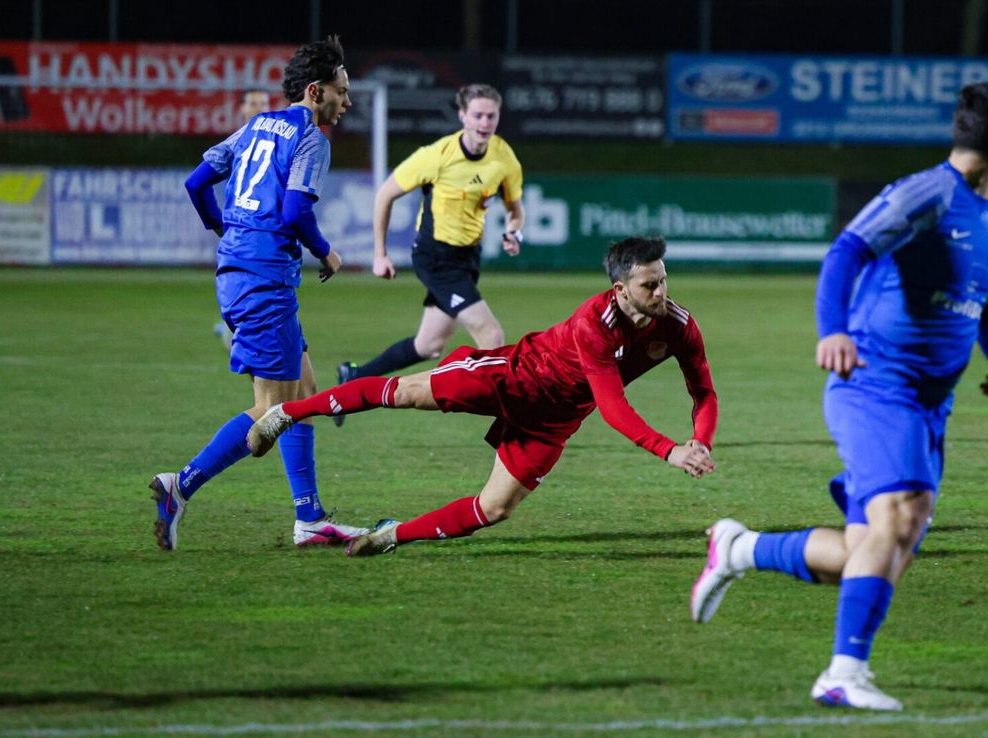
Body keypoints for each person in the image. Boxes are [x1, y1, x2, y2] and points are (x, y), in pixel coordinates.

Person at [689, 82, 988, 711]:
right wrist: (834, 330)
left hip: (931, 405)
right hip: (878, 386)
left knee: (871, 550)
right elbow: (846, 251)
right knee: (898, 516)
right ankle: (843, 673)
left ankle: (740, 548)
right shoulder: (926, 194)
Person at [246, 236, 718, 557]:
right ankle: (288, 412)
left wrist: (700, 441)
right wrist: (668, 450)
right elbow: (614, 408)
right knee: (406, 392)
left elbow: (704, 392)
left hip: (553, 420)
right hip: (512, 375)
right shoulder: (593, 324)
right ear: (620, 290)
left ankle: (390, 536)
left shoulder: (679, 326)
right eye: (649, 284)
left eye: (663, 280)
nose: (661, 291)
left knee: (495, 509)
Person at [153, 36, 369, 550]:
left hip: (240, 272)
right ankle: (178, 486)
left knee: (306, 396)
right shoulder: (311, 139)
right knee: (271, 412)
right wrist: (328, 253)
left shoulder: (254, 126)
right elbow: (296, 212)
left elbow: (196, 182)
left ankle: (310, 519)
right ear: (316, 92)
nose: (349, 101)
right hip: (264, 281)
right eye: (342, 91)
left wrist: (223, 232)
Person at [333, 83, 525, 427]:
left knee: (429, 345)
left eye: (491, 116)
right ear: (462, 115)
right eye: (477, 115)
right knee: (491, 335)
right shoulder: (436, 155)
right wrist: (380, 254)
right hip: (435, 257)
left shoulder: (503, 157)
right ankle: (509, 416)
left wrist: (514, 230)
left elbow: (515, 207)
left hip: (467, 259)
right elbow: (384, 195)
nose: (484, 122)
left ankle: (354, 376)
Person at [216, 88, 276, 350]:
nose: (260, 108)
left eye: (264, 103)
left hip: (262, 229)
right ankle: (241, 333)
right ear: (241, 109)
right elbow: (200, 180)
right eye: (254, 103)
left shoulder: (275, 141)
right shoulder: (237, 141)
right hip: (240, 227)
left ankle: (238, 330)